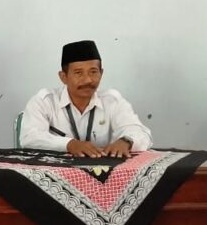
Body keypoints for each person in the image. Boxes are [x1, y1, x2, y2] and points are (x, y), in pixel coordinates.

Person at [20, 39, 151, 158]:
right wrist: (69, 144)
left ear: (101, 73)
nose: (88, 80)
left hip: (102, 171)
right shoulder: (44, 101)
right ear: (63, 77)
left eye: (93, 72)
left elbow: (141, 132)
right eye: (78, 73)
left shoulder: (112, 101)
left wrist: (127, 141)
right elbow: (29, 137)